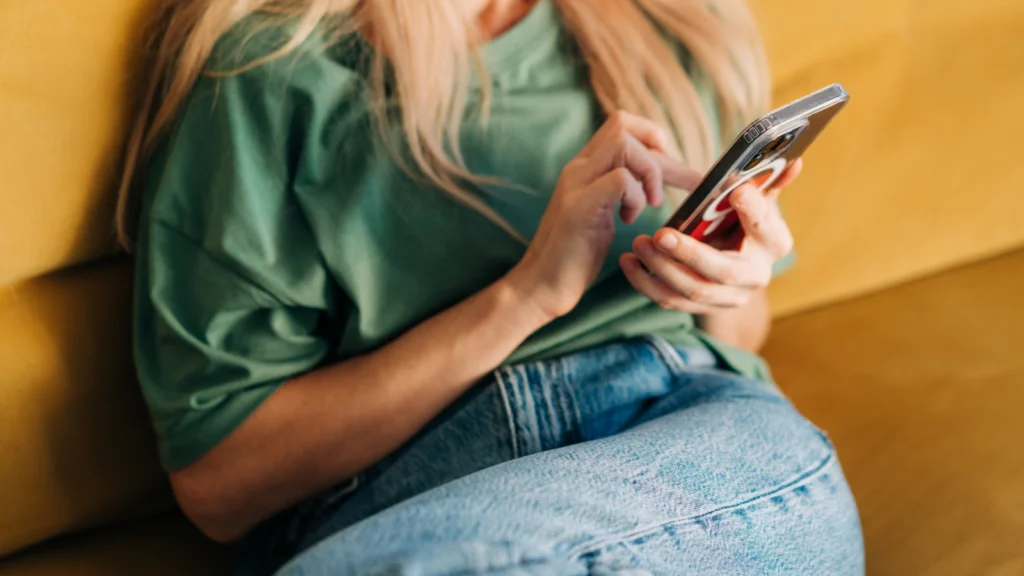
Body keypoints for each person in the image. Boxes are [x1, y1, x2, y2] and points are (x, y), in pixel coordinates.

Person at [119, 0, 864, 573]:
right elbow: (221, 486)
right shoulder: (271, 66)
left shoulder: (659, 24)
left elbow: (737, 336)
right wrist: (529, 293)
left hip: (679, 411)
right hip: (411, 490)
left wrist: (729, 281)